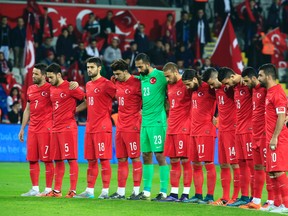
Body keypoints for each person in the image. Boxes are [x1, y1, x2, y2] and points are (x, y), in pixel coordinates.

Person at [74, 57, 116, 199]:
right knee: (91, 161)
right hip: (90, 127)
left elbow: (121, 96)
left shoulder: (107, 84)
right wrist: (72, 110)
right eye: (88, 67)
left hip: (103, 126)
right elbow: (88, 102)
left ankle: (105, 192)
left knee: (104, 160)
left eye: (92, 67)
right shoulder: (89, 84)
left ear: (99, 68)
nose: (89, 70)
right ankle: (89, 191)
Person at [133, 53, 169, 201]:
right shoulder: (140, 78)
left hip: (158, 122)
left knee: (159, 155)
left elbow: (176, 82)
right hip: (145, 122)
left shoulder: (161, 76)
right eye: (137, 67)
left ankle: (163, 191)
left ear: (148, 64)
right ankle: (146, 191)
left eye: (141, 67)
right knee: (146, 155)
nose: (139, 70)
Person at [45, 63, 85, 198]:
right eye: (47, 78)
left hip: (68, 128)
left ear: (58, 75)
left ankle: (72, 190)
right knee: (58, 159)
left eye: (51, 77)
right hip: (55, 128)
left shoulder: (70, 87)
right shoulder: (51, 88)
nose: (49, 80)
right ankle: (57, 191)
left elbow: (86, 99)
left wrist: (75, 110)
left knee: (71, 159)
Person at [202, 68, 240, 206]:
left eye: (212, 83)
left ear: (218, 77)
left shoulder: (230, 87)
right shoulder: (217, 89)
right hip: (222, 130)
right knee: (223, 164)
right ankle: (225, 197)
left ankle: (235, 197)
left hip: (233, 130)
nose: (211, 87)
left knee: (235, 164)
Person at [240, 67, 275, 210]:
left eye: (247, 81)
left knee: (269, 169)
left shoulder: (266, 89)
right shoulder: (253, 89)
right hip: (255, 134)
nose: (245, 84)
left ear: (255, 78)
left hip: (265, 135)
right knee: (258, 167)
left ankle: (272, 201)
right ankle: (256, 200)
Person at [218, 67, 254, 207]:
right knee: (243, 164)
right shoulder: (235, 88)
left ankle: (256, 199)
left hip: (249, 131)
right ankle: (244, 197)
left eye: (227, 83)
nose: (226, 87)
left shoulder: (249, 85)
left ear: (233, 76)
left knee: (253, 166)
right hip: (239, 130)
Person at [181, 68, 217, 204]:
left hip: (206, 131)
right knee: (195, 164)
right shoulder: (193, 90)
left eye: (188, 84)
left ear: (195, 79)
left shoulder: (209, 87)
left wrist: (218, 115)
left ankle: (210, 196)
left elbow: (222, 95)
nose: (187, 87)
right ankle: (198, 195)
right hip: (194, 131)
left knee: (208, 164)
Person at [108, 59, 142, 199]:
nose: (116, 76)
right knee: (121, 159)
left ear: (126, 71)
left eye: (118, 73)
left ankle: (136, 191)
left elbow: (149, 98)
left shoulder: (137, 82)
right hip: (120, 126)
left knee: (134, 158)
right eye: (114, 74)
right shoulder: (116, 82)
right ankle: (120, 192)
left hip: (133, 126)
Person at [19, 63, 54, 196]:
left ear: (44, 76)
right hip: (32, 128)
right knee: (32, 159)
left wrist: (73, 84)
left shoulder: (51, 88)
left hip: (46, 129)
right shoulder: (30, 89)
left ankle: (48, 189)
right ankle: (34, 189)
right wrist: (22, 128)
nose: (33, 76)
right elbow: (27, 109)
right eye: (33, 73)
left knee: (47, 159)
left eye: (36, 74)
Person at [258, 63, 288, 213]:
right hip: (270, 138)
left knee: (279, 171)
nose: (259, 78)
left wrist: (275, 137)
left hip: (278, 138)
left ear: (268, 76)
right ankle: (277, 204)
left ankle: (287, 205)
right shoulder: (269, 92)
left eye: (261, 75)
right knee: (272, 172)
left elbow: (281, 116)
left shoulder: (277, 93)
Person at [161, 63, 192, 202]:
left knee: (185, 160)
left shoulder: (186, 83)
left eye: (168, 76)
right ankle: (173, 193)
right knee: (173, 160)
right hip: (171, 127)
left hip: (184, 127)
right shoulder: (169, 85)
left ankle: (185, 194)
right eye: (165, 77)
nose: (167, 79)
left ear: (175, 71)